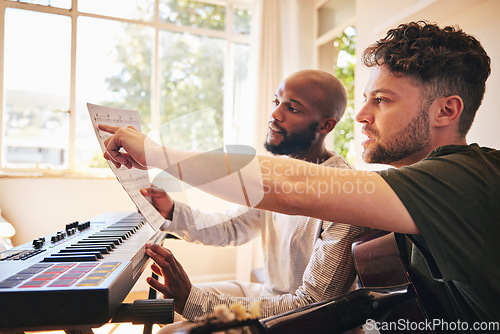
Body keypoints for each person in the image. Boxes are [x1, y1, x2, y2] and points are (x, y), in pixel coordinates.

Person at [100, 21, 499, 325]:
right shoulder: (406, 193)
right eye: (366, 99)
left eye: (382, 100)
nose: (360, 116)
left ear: (446, 111)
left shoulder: (470, 178)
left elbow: (289, 188)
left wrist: (155, 153)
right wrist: (175, 212)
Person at [144, 70, 368, 323]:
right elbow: (233, 227)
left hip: (303, 320)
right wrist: (172, 211)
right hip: (270, 294)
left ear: (326, 125)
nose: (275, 114)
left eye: (292, 109)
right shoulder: (280, 173)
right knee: (174, 308)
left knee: (173, 327)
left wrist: (192, 300)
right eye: (276, 102)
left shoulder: (344, 194)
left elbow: (313, 305)